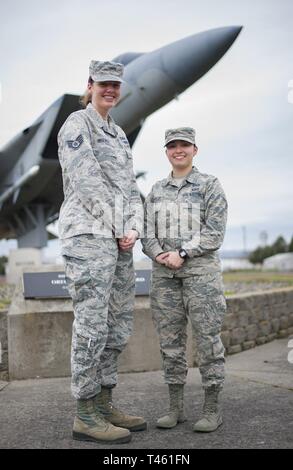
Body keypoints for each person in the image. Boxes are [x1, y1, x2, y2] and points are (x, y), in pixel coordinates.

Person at [58, 60, 146, 444]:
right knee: (92, 325)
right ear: (90, 85)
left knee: (117, 324)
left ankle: (105, 403)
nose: (110, 90)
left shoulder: (119, 135)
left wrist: (135, 228)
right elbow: (86, 180)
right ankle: (85, 413)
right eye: (104, 83)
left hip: (119, 240)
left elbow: (131, 189)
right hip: (89, 236)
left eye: (116, 85)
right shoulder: (77, 124)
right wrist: (118, 225)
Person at [141, 127, 227, 433]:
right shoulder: (156, 190)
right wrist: (158, 254)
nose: (179, 150)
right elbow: (146, 231)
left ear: (195, 149)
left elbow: (215, 231)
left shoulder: (209, 185)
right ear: (166, 151)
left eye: (184, 145)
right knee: (170, 344)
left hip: (200, 277)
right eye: (172, 146)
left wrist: (182, 253)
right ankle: (175, 408)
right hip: (165, 278)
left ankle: (212, 409)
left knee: (207, 341)